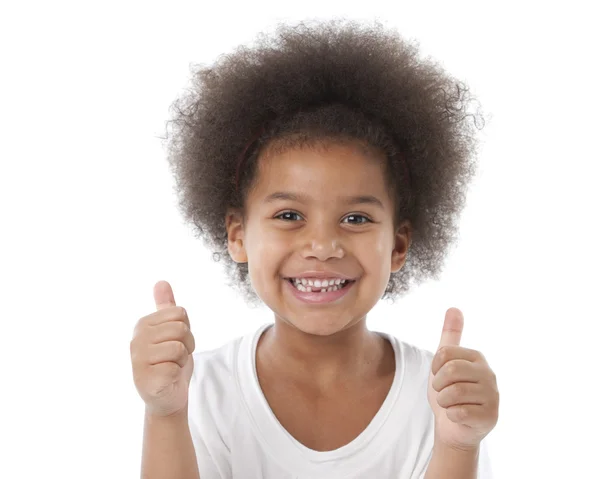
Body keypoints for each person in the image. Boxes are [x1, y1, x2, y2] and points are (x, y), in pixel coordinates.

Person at [130, 17, 499, 479]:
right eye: (289, 216)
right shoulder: (201, 389)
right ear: (238, 234)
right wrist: (164, 414)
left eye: (356, 218)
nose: (323, 246)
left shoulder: (440, 396)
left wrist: (459, 445)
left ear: (399, 244)